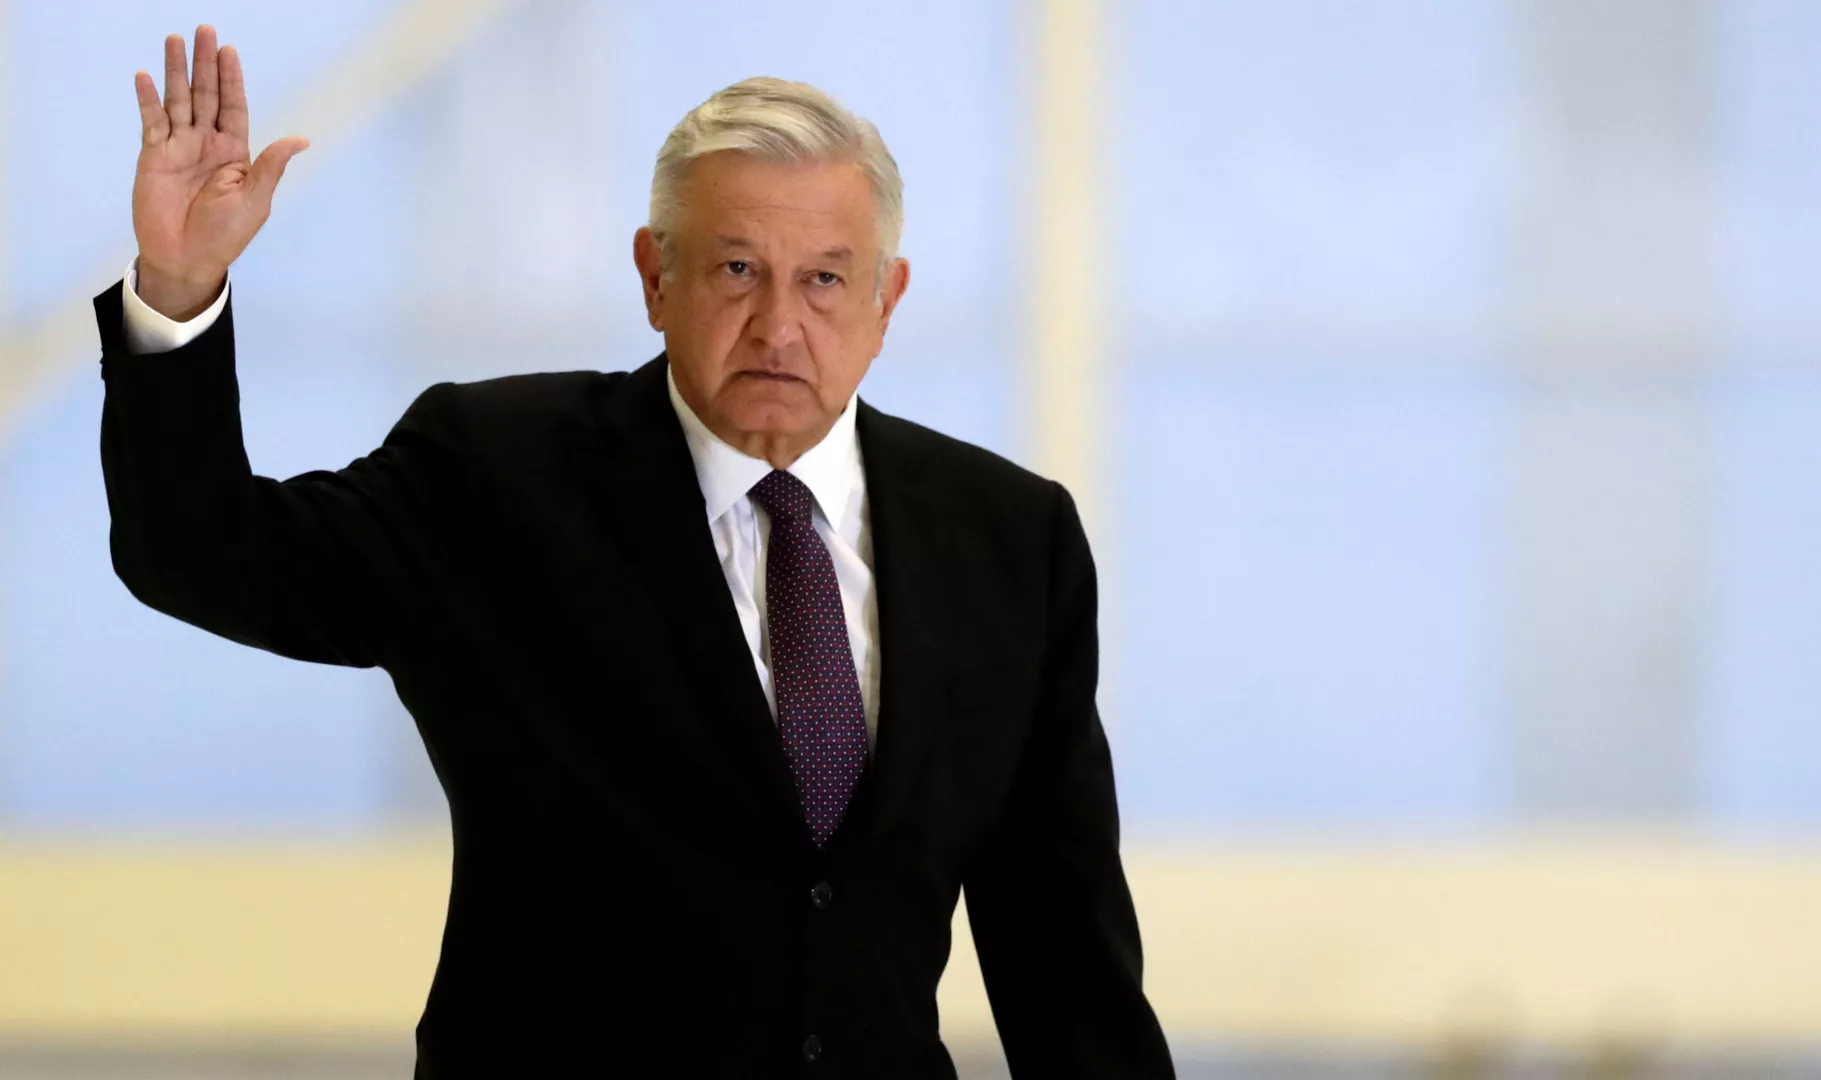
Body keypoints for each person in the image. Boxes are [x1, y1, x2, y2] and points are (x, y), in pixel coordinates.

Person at [97, 24, 1174, 1079]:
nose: (778, 326)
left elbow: (1065, 957)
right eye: (738, 269)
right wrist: (177, 291)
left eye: (825, 280)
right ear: (656, 276)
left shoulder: (1008, 539)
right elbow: (203, 555)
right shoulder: (495, 476)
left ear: (886, 301)